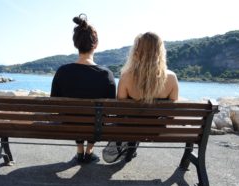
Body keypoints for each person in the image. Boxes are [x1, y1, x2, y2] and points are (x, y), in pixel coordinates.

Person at [50, 14, 116, 164]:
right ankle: (89, 151)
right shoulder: (107, 75)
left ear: (76, 44)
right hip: (96, 127)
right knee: (97, 117)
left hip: (69, 125)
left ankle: (80, 150)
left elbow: (54, 103)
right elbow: (110, 111)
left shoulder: (62, 71)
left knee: (74, 114)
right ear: (96, 45)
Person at [117, 32, 179, 162]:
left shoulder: (126, 76)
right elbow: (172, 114)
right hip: (156, 129)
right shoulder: (171, 78)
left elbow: (120, 108)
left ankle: (129, 146)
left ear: (137, 50)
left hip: (130, 128)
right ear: (160, 51)